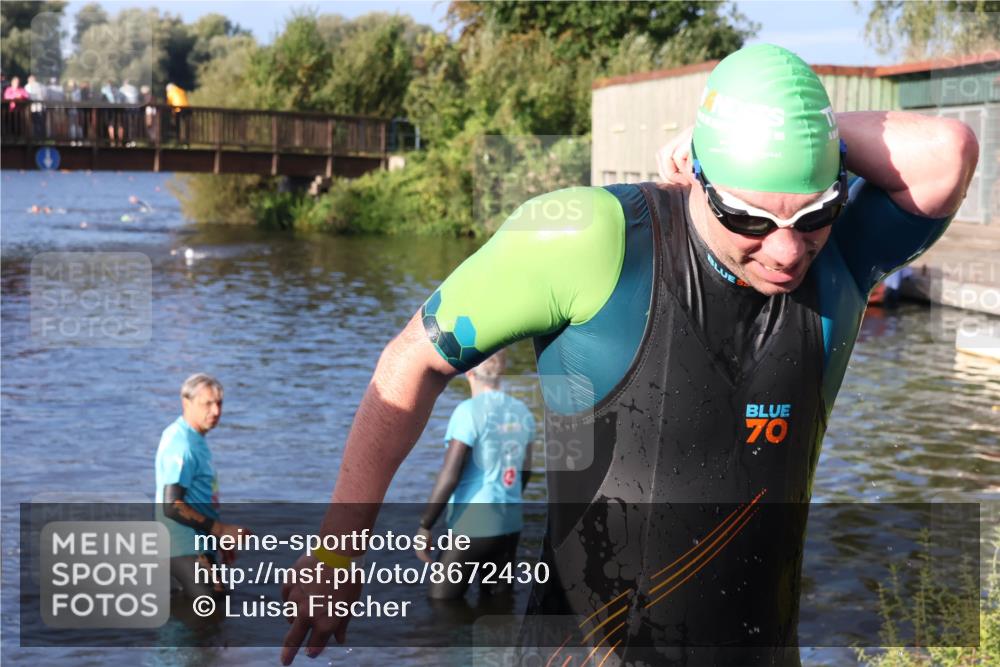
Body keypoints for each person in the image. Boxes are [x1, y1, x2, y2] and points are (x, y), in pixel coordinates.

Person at [278, 44, 979, 665]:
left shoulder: (841, 259)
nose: (788, 249)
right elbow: (410, 361)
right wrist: (340, 548)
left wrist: (804, 140)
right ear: (699, 174)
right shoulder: (591, 240)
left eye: (815, 211)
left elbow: (948, 152)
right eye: (750, 219)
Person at [414, 349, 535, 601]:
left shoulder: (467, 412)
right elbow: (525, 471)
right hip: (509, 524)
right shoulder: (522, 412)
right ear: (500, 371)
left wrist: (425, 526)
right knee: (497, 606)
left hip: (471, 525)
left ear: (468, 371)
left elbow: (450, 475)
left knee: (441, 605)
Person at [155, 373, 249, 599]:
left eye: (219, 403)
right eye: (207, 404)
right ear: (186, 403)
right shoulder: (181, 444)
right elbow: (172, 505)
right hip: (183, 549)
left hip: (197, 545)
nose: (216, 411)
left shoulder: (195, 439)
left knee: (205, 621)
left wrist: (217, 538)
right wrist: (221, 530)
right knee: (207, 618)